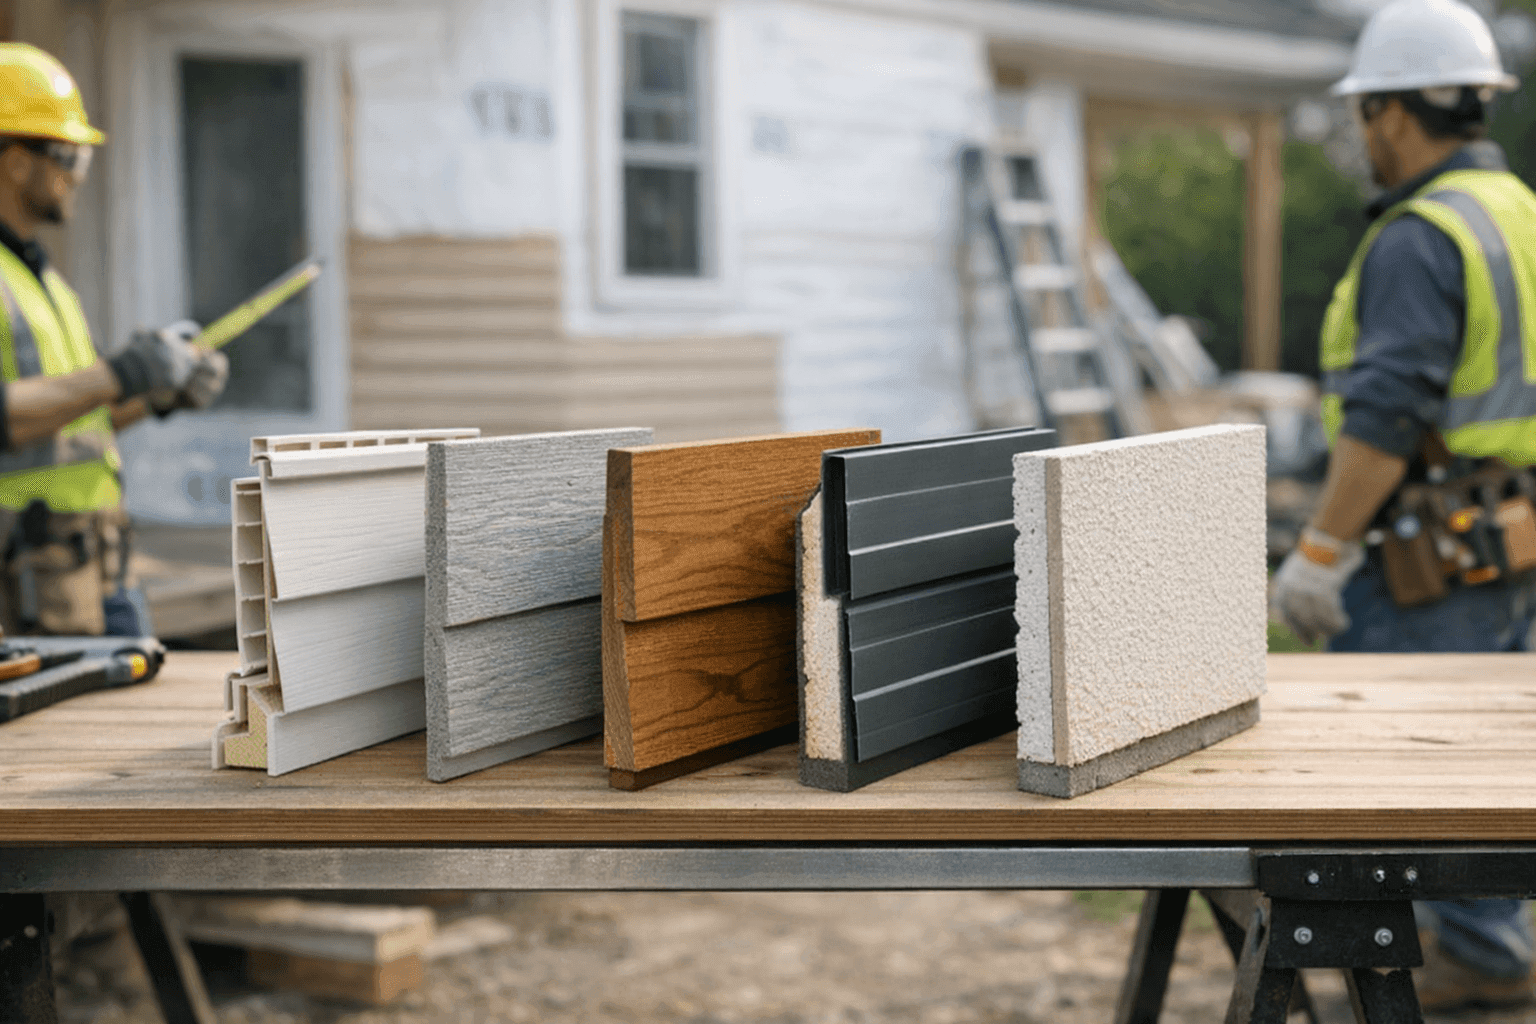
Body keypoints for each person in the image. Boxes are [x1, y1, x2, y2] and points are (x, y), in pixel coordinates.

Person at [1271, 0, 1536, 1010]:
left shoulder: (1419, 237)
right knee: (1494, 767)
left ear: (1389, 112)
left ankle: (1445, 967)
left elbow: (1385, 418)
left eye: (1362, 115)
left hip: (1427, 558)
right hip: (1509, 542)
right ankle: (1490, 947)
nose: (1361, 138)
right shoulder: (1519, 213)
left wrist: (1322, 551)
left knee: (1400, 775)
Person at [0, 43, 227, 637]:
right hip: (21, 587)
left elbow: (79, 419)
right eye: (67, 155)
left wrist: (157, 394)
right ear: (16, 160)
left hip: (85, 573)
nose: (76, 175)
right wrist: (121, 373)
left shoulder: (39, 278)